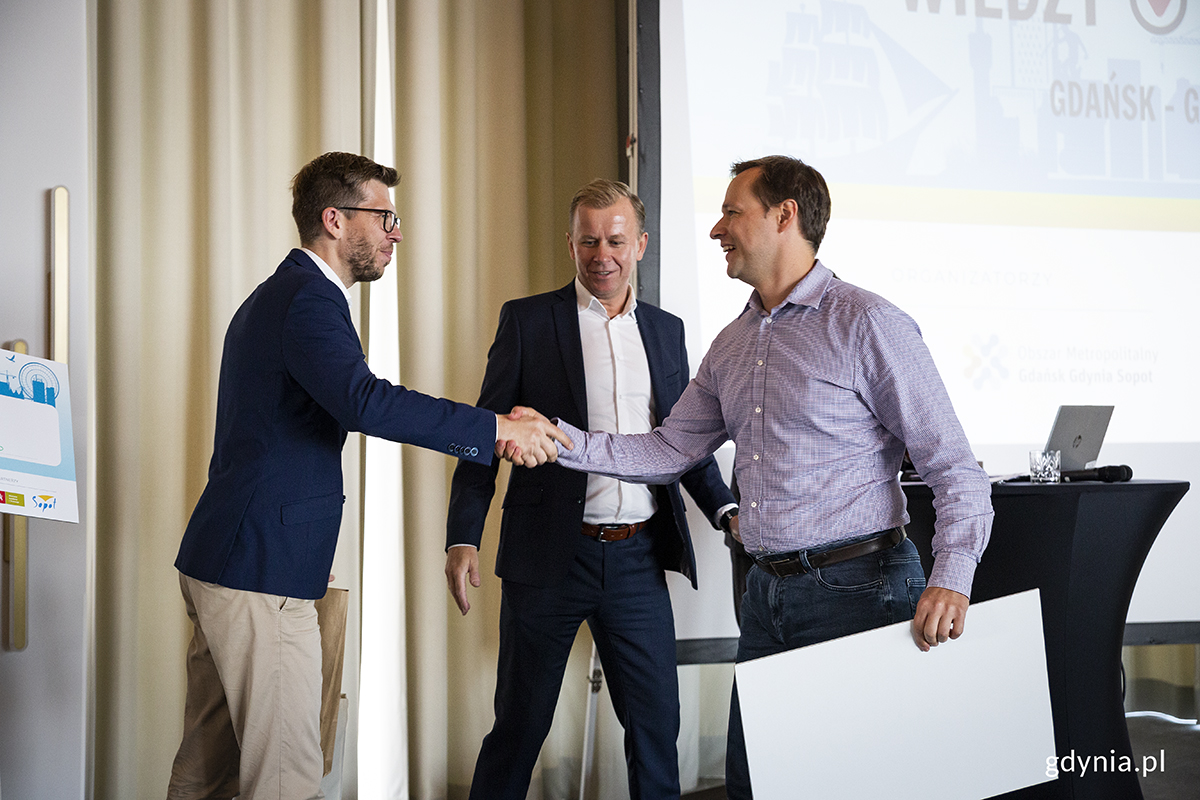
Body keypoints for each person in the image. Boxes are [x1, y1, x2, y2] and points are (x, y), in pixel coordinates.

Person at [538, 156, 995, 798]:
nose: (716, 229)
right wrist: (557, 440)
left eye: (732, 211)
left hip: (861, 592)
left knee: (857, 787)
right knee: (754, 785)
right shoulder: (731, 343)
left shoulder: (867, 322)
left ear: (785, 216)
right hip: (764, 598)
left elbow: (955, 469)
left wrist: (952, 577)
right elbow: (669, 448)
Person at [168, 151, 568, 800]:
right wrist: (495, 428)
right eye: (385, 217)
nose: (396, 233)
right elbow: (366, 402)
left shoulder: (279, 296)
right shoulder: (308, 300)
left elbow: (272, 442)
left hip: (233, 559)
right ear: (334, 219)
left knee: (206, 775)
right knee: (287, 781)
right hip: (260, 572)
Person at [445, 178, 737, 800]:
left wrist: (727, 511)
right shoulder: (528, 321)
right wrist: (462, 536)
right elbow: (485, 433)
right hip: (548, 557)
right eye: (588, 242)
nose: (601, 255)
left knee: (656, 731)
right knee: (520, 727)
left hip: (637, 561)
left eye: (615, 241)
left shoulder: (666, 331)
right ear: (571, 243)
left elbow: (683, 442)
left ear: (641, 245)